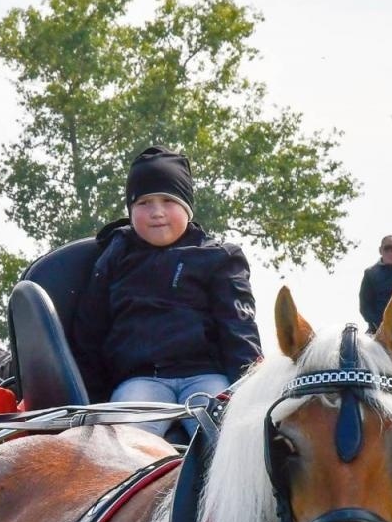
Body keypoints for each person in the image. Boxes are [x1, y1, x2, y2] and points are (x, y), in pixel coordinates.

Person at [70, 146, 261, 437]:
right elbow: (89, 331)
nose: (157, 212)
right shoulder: (113, 256)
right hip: (140, 382)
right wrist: (91, 400)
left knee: (234, 440)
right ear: (131, 210)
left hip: (206, 378)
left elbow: (238, 329)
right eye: (144, 202)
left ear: (186, 206)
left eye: (168, 201)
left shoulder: (220, 257)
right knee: (121, 447)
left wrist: (251, 389)